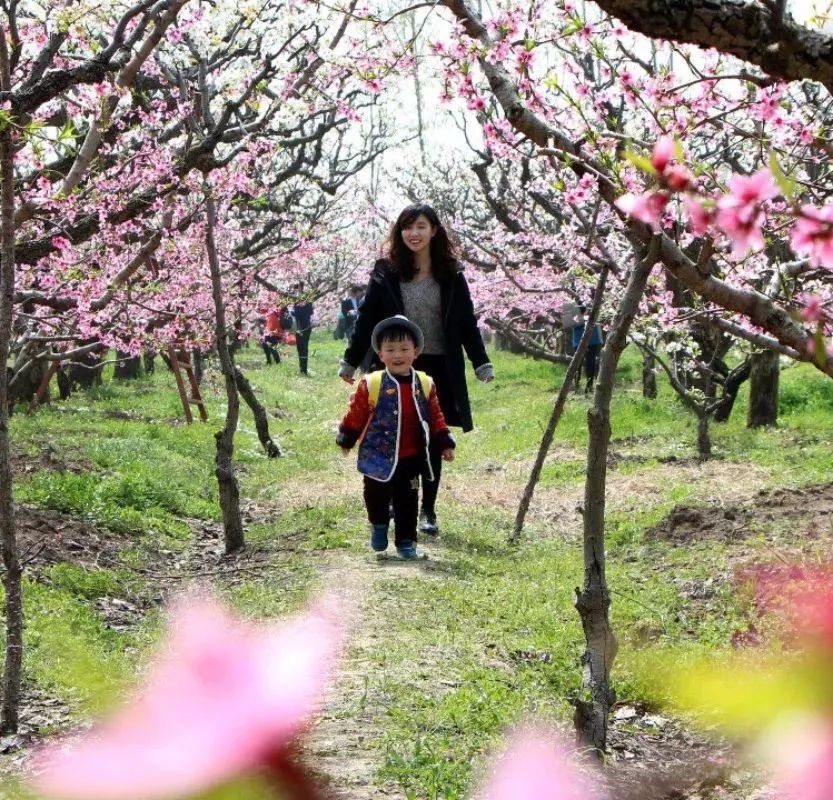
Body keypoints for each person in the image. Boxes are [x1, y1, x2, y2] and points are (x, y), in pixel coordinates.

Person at [339, 203, 493, 536]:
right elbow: (366, 319)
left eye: (421, 226)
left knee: (431, 437)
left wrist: (480, 361)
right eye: (408, 227)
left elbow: (466, 321)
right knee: (392, 432)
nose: (414, 233)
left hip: (438, 363)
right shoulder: (385, 271)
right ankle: (397, 497)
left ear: (434, 231)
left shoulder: (450, 274)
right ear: (399, 232)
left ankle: (428, 510)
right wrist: (350, 360)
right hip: (394, 363)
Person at [336, 316, 455, 559]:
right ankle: (379, 524)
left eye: (404, 349)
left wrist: (444, 442)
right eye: (390, 350)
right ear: (380, 354)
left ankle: (405, 542)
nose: (397, 355)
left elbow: (435, 415)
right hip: (376, 455)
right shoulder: (372, 383)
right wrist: (347, 438)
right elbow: (357, 412)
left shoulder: (424, 383)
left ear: (416, 352)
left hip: (411, 457)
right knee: (375, 496)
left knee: (407, 501)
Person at [572, 305, 604, 394]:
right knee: (590, 363)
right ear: (585, 311)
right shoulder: (592, 320)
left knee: (577, 363)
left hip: (579, 343)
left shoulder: (575, 319)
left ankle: (577, 384)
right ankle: (589, 385)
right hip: (593, 343)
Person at [291, 289, 314, 375]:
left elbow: (297, 313)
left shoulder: (306, 305)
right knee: (301, 349)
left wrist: (292, 311)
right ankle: (302, 368)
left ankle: (303, 370)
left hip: (303, 328)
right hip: (301, 328)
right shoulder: (306, 305)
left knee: (303, 349)